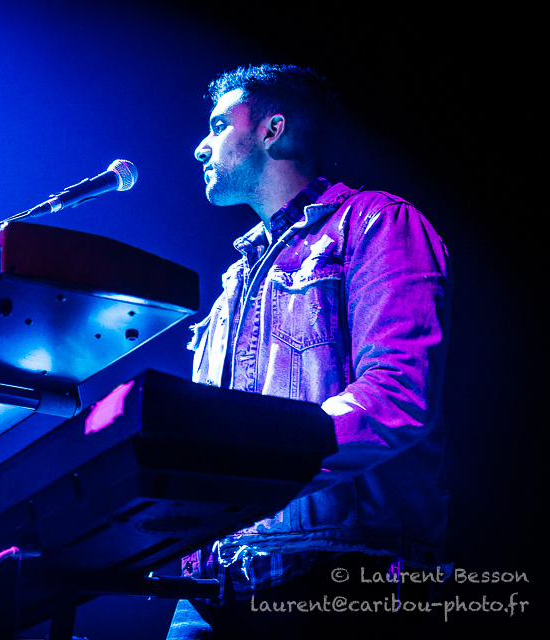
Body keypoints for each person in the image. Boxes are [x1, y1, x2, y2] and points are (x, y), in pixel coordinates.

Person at [167, 64, 452, 637]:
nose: (201, 146)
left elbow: (397, 394)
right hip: (212, 580)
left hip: (340, 567)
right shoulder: (231, 286)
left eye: (219, 125)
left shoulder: (378, 224)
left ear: (273, 130)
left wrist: (257, 470)